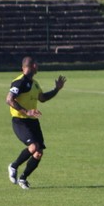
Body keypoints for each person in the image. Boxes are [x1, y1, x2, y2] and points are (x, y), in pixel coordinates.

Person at [6, 56, 67, 189]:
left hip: (33, 122)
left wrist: (56, 89)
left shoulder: (35, 83)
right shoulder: (19, 82)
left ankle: (23, 179)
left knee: (38, 153)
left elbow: (43, 98)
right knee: (33, 146)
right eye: (37, 65)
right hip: (20, 121)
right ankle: (14, 166)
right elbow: (9, 100)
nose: (38, 67)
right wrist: (26, 111)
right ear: (33, 66)